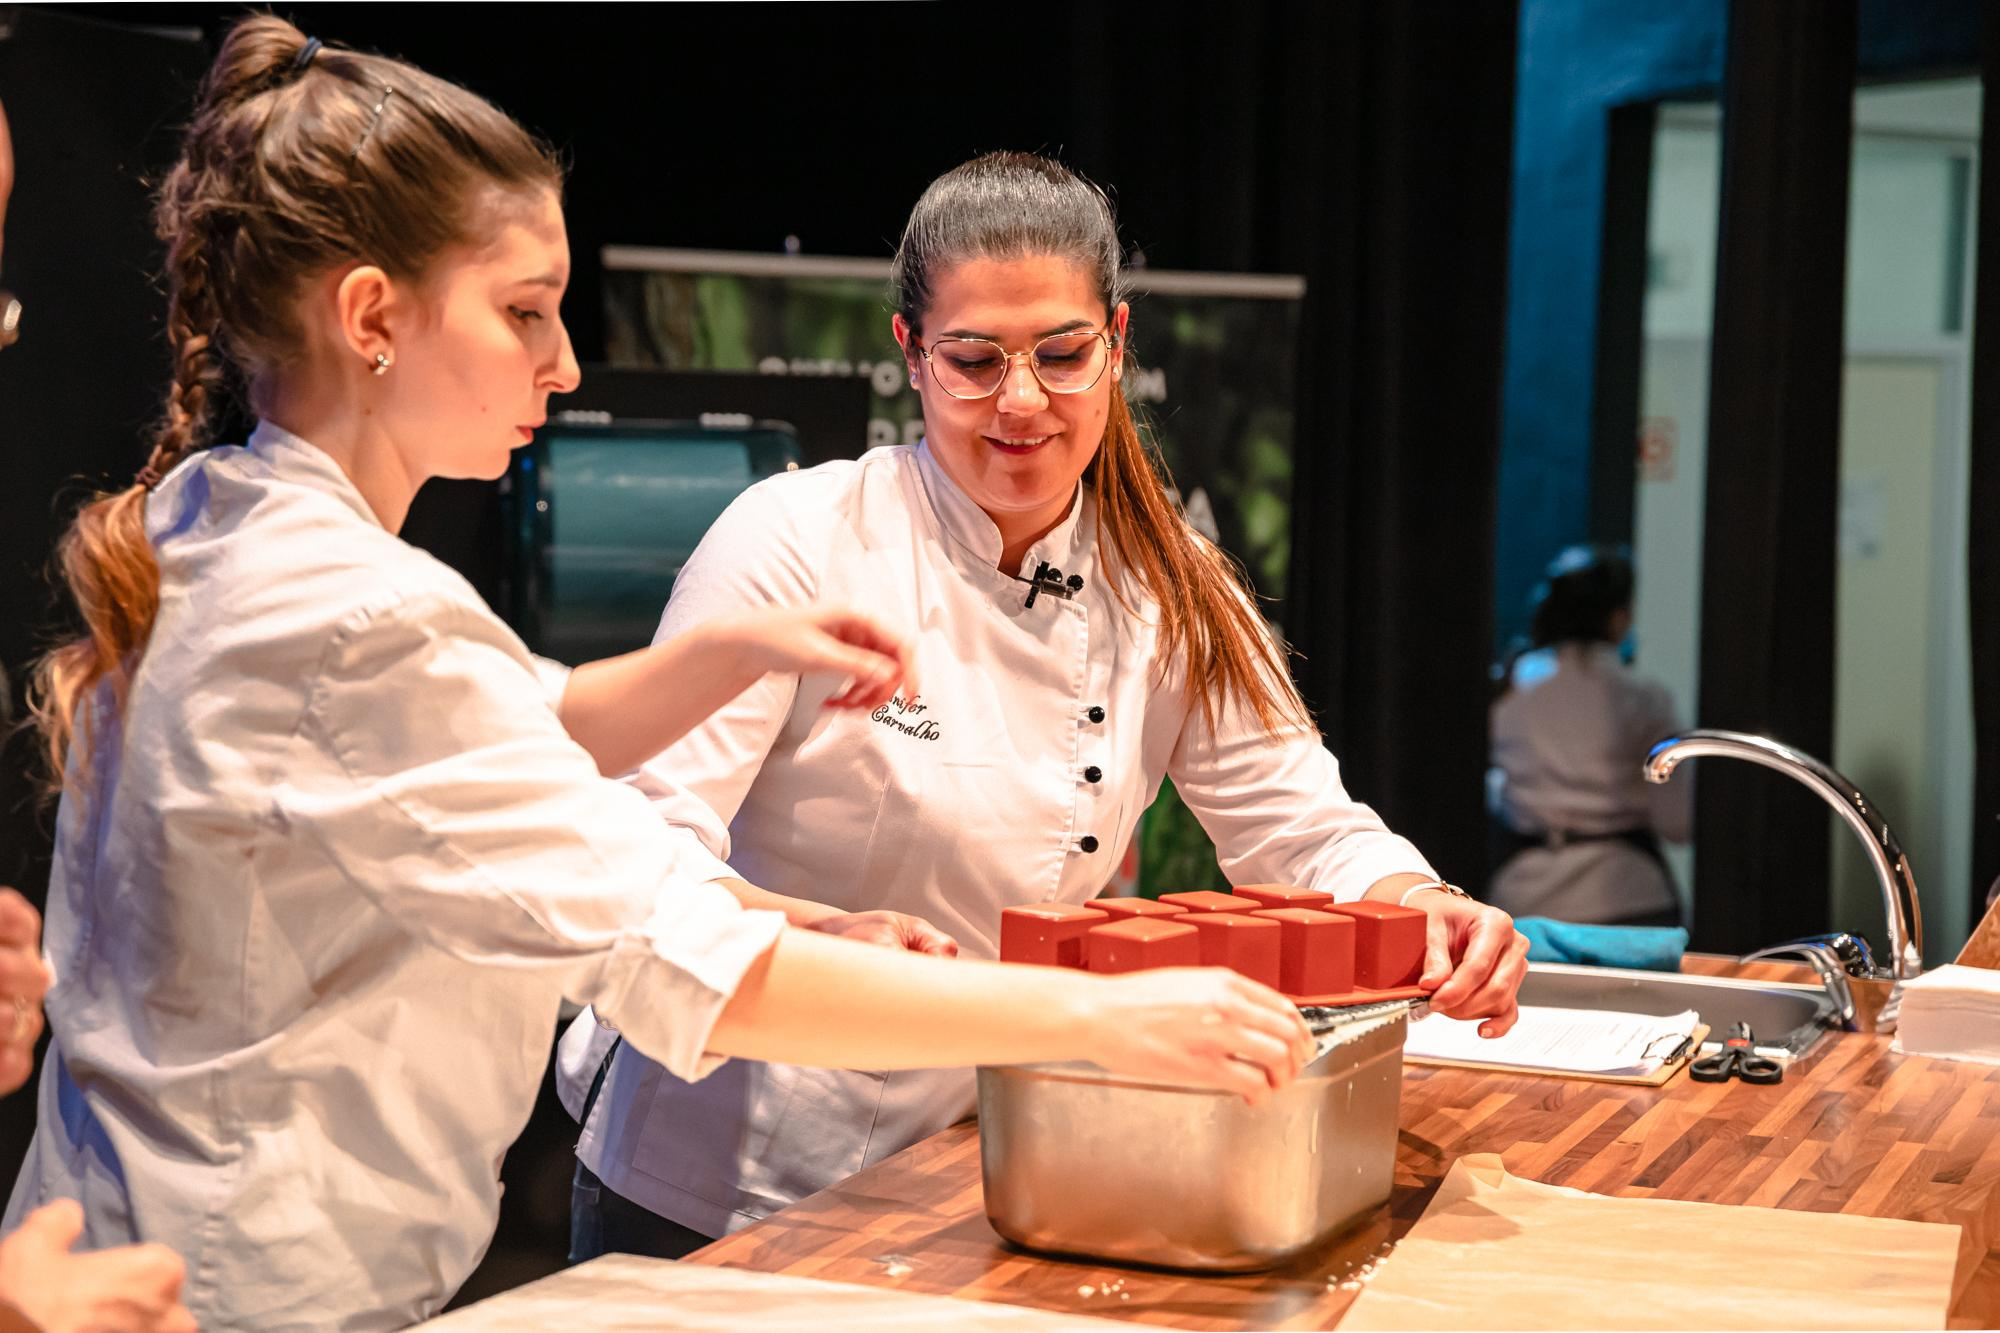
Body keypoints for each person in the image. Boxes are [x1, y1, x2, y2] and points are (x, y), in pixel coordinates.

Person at [5, 26, 1313, 1330]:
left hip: (134, 1232)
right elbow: (688, 961)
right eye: (524, 311)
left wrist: (728, 712)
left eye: (1062, 354)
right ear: (371, 319)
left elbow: (509, 734)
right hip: (222, 1289)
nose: (564, 361)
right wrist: (1103, 1022)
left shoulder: (216, 515)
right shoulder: (362, 615)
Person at [561, 151, 1533, 1260]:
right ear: (909, 357)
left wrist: (1422, 903)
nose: (1019, 402)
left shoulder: (1175, 584)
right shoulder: (792, 540)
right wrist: (817, 926)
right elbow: (641, 851)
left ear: (1115, 346)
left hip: (985, 1169)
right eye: (973, 361)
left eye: (1061, 356)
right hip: (725, 1174)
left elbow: (1297, 825)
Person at [1487, 545, 1691, 926]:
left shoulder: (1509, 688)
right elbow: (1677, 824)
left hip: (1523, 893)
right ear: (1618, 618)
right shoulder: (1645, 698)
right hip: (1630, 893)